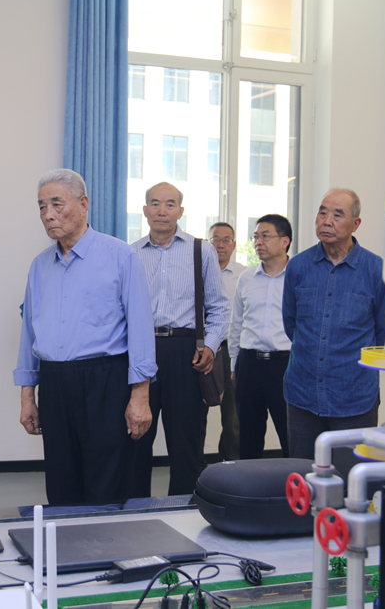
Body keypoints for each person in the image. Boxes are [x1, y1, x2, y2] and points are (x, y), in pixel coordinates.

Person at [16, 169, 157, 505]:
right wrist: (27, 396)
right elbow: (30, 333)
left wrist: (140, 396)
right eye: (41, 207)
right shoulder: (39, 266)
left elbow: (140, 329)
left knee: (107, 479)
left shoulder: (120, 256)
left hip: (105, 381)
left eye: (56, 204)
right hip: (55, 382)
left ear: (83, 204)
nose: (48, 214)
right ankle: (65, 537)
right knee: (61, 480)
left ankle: (107, 538)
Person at [282, 189, 385, 460]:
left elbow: (382, 331)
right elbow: (291, 323)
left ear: (356, 223)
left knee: (351, 477)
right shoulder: (298, 266)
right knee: (304, 473)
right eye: (322, 212)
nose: (327, 221)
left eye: (337, 215)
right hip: (303, 395)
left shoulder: (377, 270)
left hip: (354, 397)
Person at [133, 183, 228, 495]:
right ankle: (135, 510)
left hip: (186, 354)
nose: (162, 210)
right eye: (155, 203)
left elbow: (219, 306)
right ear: (145, 210)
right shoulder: (130, 253)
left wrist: (210, 345)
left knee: (186, 443)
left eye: (170, 204)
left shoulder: (202, 250)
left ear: (181, 211)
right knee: (135, 437)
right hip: (141, 351)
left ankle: (183, 510)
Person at [228, 214, 292, 459]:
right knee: (248, 436)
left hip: (285, 365)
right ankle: (249, 482)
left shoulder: (298, 276)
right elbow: (236, 323)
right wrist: (234, 364)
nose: (258, 242)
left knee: (290, 434)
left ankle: (293, 482)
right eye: (255, 237)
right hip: (249, 365)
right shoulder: (247, 278)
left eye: (265, 236)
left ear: (285, 241)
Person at [208, 222, 246, 461]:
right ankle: (196, 470)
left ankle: (230, 465)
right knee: (195, 414)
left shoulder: (245, 275)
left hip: (231, 351)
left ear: (234, 245)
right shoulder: (197, 271)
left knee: (233, 418)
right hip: (203, 350)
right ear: (208, 243)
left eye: (226, 240)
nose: (220, 245)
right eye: (215, 239)